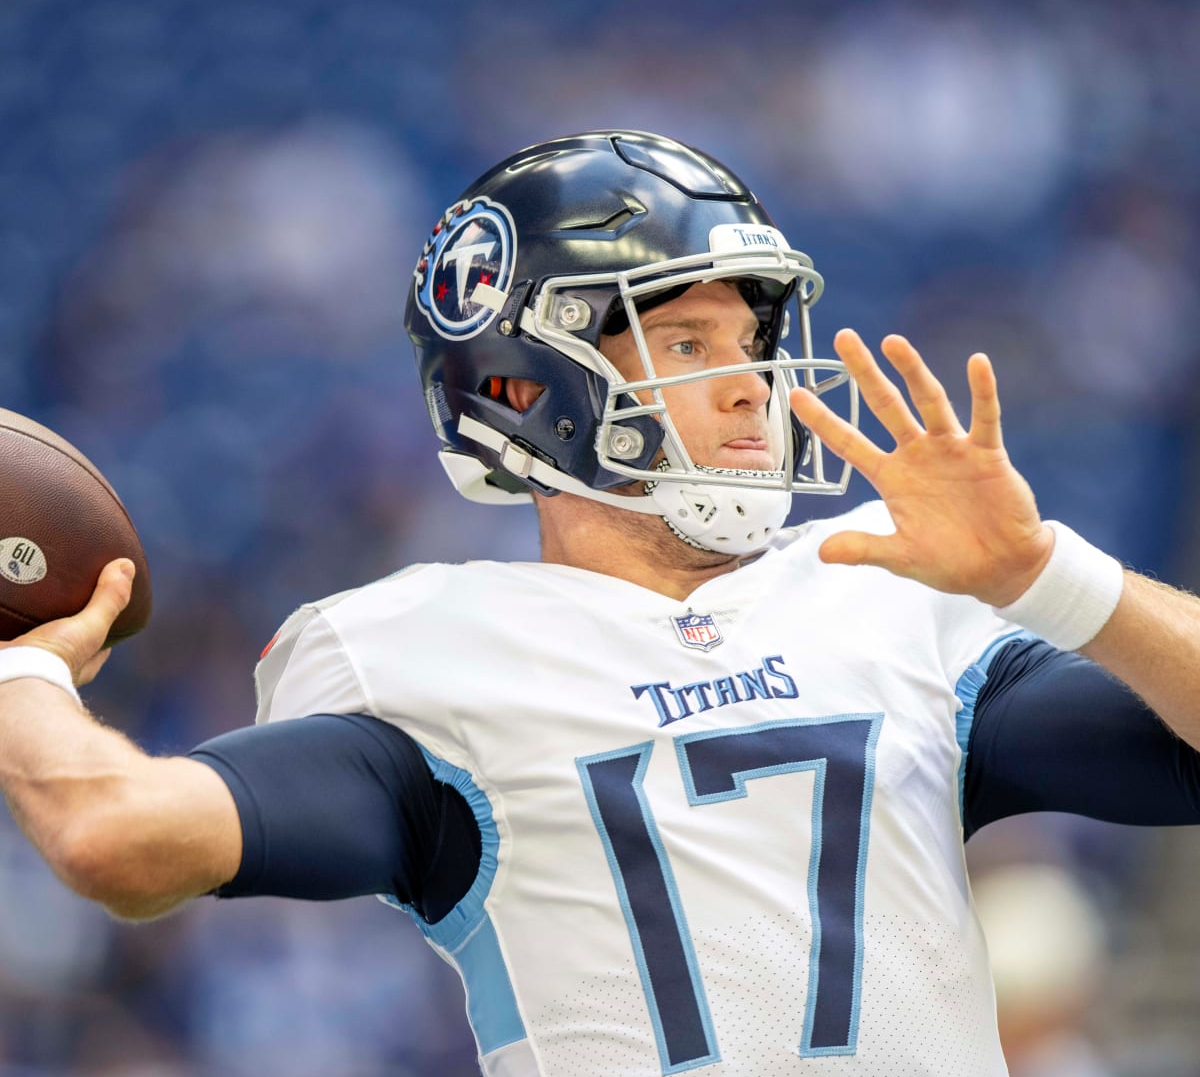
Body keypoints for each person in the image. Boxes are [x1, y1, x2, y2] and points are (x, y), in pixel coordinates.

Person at [2, 129, 1200, 1077]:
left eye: (755, 340)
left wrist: (1050, 575)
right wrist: (24, 666)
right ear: (525, 387)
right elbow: (117, 835)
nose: (755, 389)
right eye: (685, 345)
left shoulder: (880, 596)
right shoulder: (436, 655)